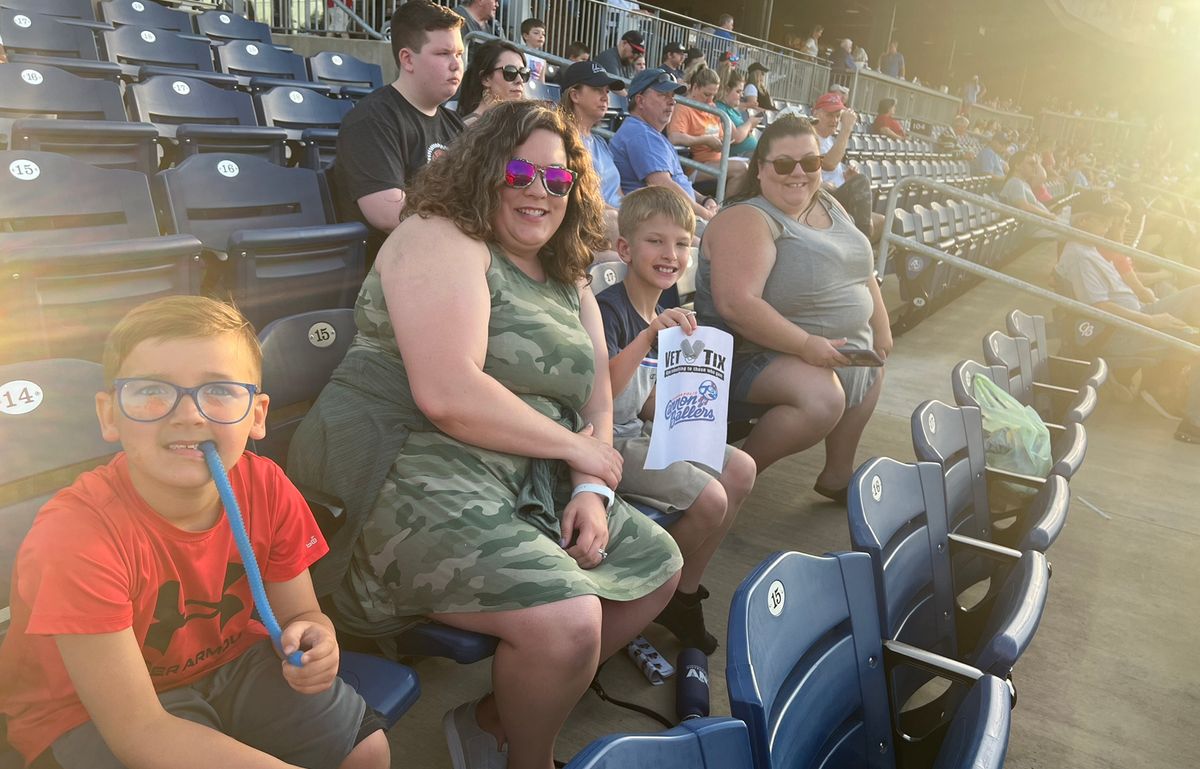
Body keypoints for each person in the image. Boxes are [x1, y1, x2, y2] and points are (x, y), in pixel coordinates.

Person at [288, 102, 683, 769]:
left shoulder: (567, 274)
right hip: (405, 460)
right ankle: (527, 757)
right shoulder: (440, 234)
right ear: (482, 168)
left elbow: (595, 397)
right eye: (520, 171)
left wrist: (592, 486)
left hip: (528, 469)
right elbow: (447, 394)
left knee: (654, 567)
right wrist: (576, 449)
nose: (539, 190)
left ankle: (492, 721)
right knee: (567, 622)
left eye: (558, 179)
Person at [0, 296, 389, 769]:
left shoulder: (266, 487)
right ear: (108, 415)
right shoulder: (76, 537)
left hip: (228, 661)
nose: (188, 414)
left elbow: (301, 612)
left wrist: (317, 636)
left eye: (220, 390)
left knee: (368, 751)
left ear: (258, 415)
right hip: (84, 707)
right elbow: (139, 730)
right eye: (151, 390)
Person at [597, 187, 755, 653]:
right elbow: (601, 394)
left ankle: (682, 594)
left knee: (741, 469)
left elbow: (645, 402)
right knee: (709, 500)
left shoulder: (661, 312)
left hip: (638, 431)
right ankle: (647, 597)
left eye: (682, 244)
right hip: (608, 442)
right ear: (625, 249)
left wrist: (691, 409)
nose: (671, 254)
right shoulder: (609, 310)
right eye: (656, 242)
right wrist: (647, 339)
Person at [696, 116, 891, 494]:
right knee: (821, 398)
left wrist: (880, 328)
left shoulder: (828, 203)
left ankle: (838, 473)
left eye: (811, 162)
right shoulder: (749, 218)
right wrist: (805, 344)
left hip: (815, 349)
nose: (798, 173)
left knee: (870, 367)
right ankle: (726, 483)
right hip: (744, 354)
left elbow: (862, 268)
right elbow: (736, 305)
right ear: (761, 168)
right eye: (784, 164)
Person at [1054, 194, 1200, 443]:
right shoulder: (1080, 255)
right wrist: (1152, 321)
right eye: (1103, 220)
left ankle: (1164, 387)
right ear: (1084, 221)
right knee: (1195, 337)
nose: (1109, 226)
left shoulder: (1088, 246)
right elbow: (1100, 307)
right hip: (1121, 332)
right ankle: (1193, 424)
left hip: (1134, 320)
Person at [334, 1, 465, 261]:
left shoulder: (456, 124)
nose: (455, 64)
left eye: (459, 54)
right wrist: (470, 219)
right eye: (443, 54)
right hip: (395, 270)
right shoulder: (372, 119)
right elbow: (388, 214)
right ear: (407, 59)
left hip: (453, 258)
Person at [610, 68, 721, 225]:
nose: (672, 101)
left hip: (677, 216)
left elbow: (676, 181)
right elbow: (663, 186)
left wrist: (704, 200)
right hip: (663, 221)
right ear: (640, 101)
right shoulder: (641, 135)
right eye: (663, 95)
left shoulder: (648, 132)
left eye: (672, 96)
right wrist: (707, 215)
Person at [559, 60, 626, 255]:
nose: (605, 96)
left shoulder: (600, 142)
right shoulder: (562, 141)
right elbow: (581, 198)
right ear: (575, 95)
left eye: (607, 91)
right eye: (598, 89)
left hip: (616, 223)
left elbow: (619, 193)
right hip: (588, 226)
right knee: (611, 219)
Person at [811, 91, 884, 241]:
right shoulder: (810, 137)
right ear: (816, 113)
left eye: (838, 116)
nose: (835, 120)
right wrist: (846, 129)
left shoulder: (829, 140)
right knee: (862, 181)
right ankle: (861, 243)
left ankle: (865, 249)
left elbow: (831, 167)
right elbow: (829, 164)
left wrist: (846, 177)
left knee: (884, 221)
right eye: (830, 115)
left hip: (837, 196)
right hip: (823, 198)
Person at [668, 66, 748, 193]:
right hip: (696, 166)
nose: (710, 100)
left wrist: (720, 144)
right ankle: (725, 210)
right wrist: (705, 140)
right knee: (741, 168)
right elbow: (674, 137)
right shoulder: (685, 107)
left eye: (713, 95)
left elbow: (722, 136)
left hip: (716, 161)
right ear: (695, 88)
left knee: (754, 164)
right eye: (706, 94)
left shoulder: (711, 107)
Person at [457, 40, 528, 125]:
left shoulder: (524, 123)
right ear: (486, 79)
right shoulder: (469, 127)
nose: (520, 80)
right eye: (510, 72)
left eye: (524, 73)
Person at [714, 68, 761, 158]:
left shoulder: (732, 109)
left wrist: (747, 129)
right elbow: (735, 137)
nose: (742, 95)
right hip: (739, 157)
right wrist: (750, 123)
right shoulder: (719, 108)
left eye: (742, 92)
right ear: (727, 90)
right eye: (738, 91)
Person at [1000, 150, 1056, 219]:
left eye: (1036, 164)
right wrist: (1048, 215)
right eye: (1031, 163)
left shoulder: (1023, 183)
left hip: (1038, 226)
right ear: (1017, 166)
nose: (1035, 166)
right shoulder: (1014, 182)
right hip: (1032, 227)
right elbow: (1023, 206)